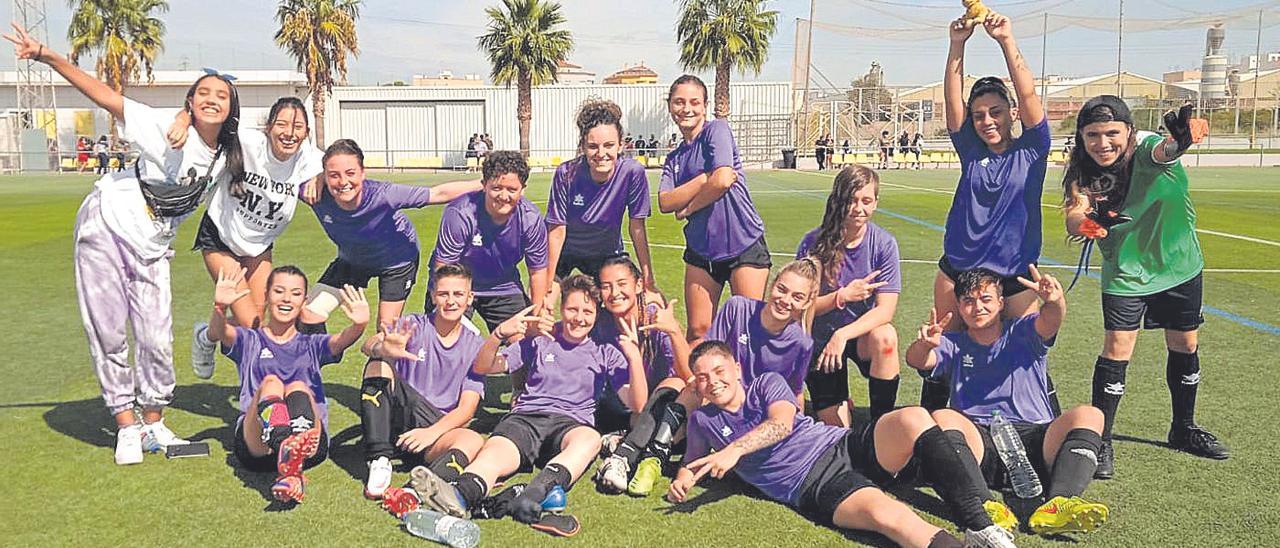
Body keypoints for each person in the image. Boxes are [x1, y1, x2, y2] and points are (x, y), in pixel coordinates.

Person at [6, 25, 242, 464]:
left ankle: (153, 421)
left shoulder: (228, 154)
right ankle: (126, 424)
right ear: (190, 101)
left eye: (221, 96)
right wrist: (46, 55)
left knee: (156, 335)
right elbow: (103, 95)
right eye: (202, 94)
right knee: (109, 331)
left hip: (153, 242)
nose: (212, 99)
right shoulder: (161, 126)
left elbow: (283, 144)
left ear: (231, 110)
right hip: (106, 224)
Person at [670, 341, 1017, 548]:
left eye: (718, 370)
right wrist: (683, 480)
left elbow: (781, 424)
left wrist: (734, 450)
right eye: (702, 377)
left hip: (843, 445)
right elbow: (692, 463)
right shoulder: (704, 422)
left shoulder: (765, 384)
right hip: (814, 483)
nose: (712, 381)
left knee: (914, 418)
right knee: (890, 516)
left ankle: (979, 525)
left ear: (736, 368)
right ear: (696, 386)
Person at [1061, 97, 1227, 480]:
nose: (1103, 143)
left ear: (1129, 132)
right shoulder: (1082, 172)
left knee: (1184, 345)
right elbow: (1074, 214)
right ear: (1082, 137)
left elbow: (1168, 150)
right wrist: (1086, 224)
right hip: (1125, 272)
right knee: (1117, 349)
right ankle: (1102, 441)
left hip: (1179, 265)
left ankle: (1183, 428)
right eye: (1093, 135)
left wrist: (1182, 141)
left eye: (1112, 134)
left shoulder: (1150, 148)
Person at [409, 275, 648, 530]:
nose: (579, 318)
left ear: (596, 314)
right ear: (562, 308)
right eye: (572, 309)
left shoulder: (605, 352)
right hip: (526, 418)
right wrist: (499, 333)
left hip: (570, 425)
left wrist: (634, 358)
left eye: (587, 311)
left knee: (589, 440)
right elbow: (484, 366)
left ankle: (534, 493)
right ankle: (459, 495)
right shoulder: (540, 339)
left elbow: (637, 405)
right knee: (494, 453)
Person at [906, 267, 1111, 536]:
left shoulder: (1023, 331)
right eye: (968, 301)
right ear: (958, 305)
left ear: (1001, 303)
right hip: (982, 441)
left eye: (986, 299)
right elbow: (916, 360)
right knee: (944, 417)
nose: (977, 307)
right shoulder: (952, 343)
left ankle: (1061, 501)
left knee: (1091, 414)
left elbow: (1051, 320)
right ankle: (986, 504)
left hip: (1037, 437)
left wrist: (1054, 301)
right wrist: (925, 344)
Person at [925, 11, 1051, 411]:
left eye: (996, 111)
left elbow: (1029, 95)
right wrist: (956, 44)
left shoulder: (1032, 149)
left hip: (1013, 276)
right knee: (943, 349)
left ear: (1011, 112)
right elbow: (951, 99)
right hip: (959, 269)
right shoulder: (971, 150)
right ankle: (929, 428)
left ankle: (1045, 426)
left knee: (1024, 352)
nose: (986, 121)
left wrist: (1006, 40)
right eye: (979, 114)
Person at [188, 96, 325, 378]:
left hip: (260, 245)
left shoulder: (309, 159)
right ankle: (258, 384)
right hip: (220, 238)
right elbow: (207, 124)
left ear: (307, 134)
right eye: (282, 124)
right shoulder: (247, 142)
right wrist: (182, 117)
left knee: (258, 316)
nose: (289, 133)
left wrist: (320, 177)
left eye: (298, 127)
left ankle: (207, 335)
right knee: (251, 322)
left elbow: (339, 164)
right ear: (268, 127)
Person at [208, 265, 368, 503]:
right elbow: (221, 332)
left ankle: (292, 460)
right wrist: (220, 307)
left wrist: (359, 325)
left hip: (309, 445)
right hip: (258, 446)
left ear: (304, 301)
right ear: (266, 295)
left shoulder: (311, 344)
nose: (286, 299)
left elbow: (340, 341)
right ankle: (286, 448)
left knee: (298, 387)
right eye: (279, 291)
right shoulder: (250, 340)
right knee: (271, 383)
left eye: (295, 294)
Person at [299, 139, 481, 333]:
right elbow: (279, 181)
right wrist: (317, 177)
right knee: (309, 315)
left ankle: (383, 363)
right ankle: (316, 358)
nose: (343, 182)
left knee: (386, 330)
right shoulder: (313, 193)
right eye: (334, 175)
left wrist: (488, 183)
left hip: (398, 261)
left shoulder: (383, 195)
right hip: (352, 261)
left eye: (350, 173)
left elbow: (438, 193)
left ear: (363, 172)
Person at [359, 264, 489, 509]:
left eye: (458, 294)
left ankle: (413, 492)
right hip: (400, 416)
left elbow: (466, 409)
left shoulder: (476, 346)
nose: (451, 301)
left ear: (470, 298)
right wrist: (383, 348)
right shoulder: (413, 325)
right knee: (377, 365)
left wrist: (431, 433)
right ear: (433, 296)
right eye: (443, 294)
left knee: (471, 439)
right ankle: (380, 458)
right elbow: (367, 346)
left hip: (435, 429)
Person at [659, 74, 771, 342]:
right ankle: (696, 383)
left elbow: (721, 180)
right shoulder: (674, 158)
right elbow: (665, 202)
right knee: (698, 332)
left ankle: (749, 385)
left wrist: (689, 208)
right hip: (702, 251)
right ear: (670, 106)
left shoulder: (716, 130)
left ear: (705, 105)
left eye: (694, 102)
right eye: (679, 102)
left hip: (742, 244)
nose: (687, 109)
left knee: (747, 332)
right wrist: (702, 179)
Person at [797, 165, 902, 426]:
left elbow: (885, 311)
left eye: (866, 201)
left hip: (858, 337)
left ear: (876, 203)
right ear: (838, 201)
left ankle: (882, 425)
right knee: (839, 431)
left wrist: (842, 334)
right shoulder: (814, 243)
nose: (858, 208)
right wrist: (841, 296)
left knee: (886, 336)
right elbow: (801, 308)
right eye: (851, 200)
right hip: (821, 341)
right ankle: (839, 402)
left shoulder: (884, 244)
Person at [592, 257, 692, 496]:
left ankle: (621, 454)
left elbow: (688, 377)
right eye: (606, 286)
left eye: (621, 283)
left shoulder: (654, 318)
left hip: (657, 405)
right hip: (617, 405)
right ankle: (629, 443)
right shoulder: (599, 320)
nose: (614, 292)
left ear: (638, 286)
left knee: (676, 385)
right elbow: (562, 332)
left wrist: (674, 331)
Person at [429, 150, 549, 332]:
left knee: (524, 341)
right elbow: (443, 267)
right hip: (457, 284)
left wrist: (536, 315)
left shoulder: (530, 219)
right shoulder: (460, 213)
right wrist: (446, 303)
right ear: (484, 185)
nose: (503, 196)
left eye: (512, 190)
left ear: (523, 189)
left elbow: (538, 272)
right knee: (444, 339)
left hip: (503, 285)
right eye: (496, 188)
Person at [545, 99, 656, 296]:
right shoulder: (566, 173)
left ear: (621, 145)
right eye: (593, 146)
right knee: (539, 302)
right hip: (566, 251)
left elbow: (637, 227)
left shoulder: (632, 172)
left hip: (607, 252)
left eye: (609, 145)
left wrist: (648, 278)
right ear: (583, 146)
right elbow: (556, 231)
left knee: (640, 300)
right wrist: (546, 285)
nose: (601, 153)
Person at [703, 258, 819, 405]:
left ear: (807, 302)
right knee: (690, 391)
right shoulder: (737, 308)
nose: (785, 300)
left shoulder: (802, 343)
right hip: (721, 396)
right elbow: (707, 358)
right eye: (781, 290)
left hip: (761, 411)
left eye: (797, 297)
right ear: (772, 285)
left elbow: (794, 391)